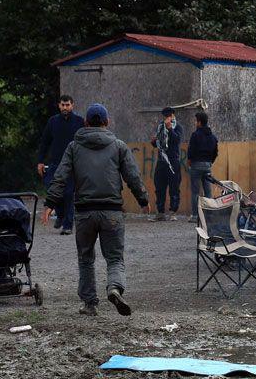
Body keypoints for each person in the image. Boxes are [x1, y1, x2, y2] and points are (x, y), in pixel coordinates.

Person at [43, 103, 150, 316]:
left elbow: (61, 176)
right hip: (112, 212)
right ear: (107, 122)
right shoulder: (119, 146)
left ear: (85, 122)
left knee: (85, 258)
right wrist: (143, 199)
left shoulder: (74, 147)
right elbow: (132, 176)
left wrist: (50, 203)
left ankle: (90, 304)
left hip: (84, 213)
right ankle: (114, 288)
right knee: (115, 258)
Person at [36, 94, 86, 235]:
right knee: (52, 190)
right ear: (59, 105)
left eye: (68, 105)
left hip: (72, 164)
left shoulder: (79, 122)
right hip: (55, 163)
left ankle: (67, 225)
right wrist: (40, 161)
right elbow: (44, 142)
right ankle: (61, 215)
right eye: (63, 105)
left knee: (69, 193)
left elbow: (85, 142)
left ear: (72, 105)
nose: (65, 107)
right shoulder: (53, 122)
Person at [151, 107, 183, 221]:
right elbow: (157, 144)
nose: (167, 118)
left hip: (173, 161)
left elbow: (176, 140)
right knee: (159, 187)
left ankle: (173, 212)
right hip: (162, 160)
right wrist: (154, 141)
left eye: (169, 115)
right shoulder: (160, 127)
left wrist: (170, 129)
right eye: (165, 116)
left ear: (173, 115)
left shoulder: (177, 127)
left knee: (174, 187)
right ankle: (160, 212)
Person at [186, 111, 219, 222]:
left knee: (195, 191)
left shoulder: (195, 135)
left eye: (196, 121)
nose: (195, 123)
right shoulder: (213, 137)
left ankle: (195, 216)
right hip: (207, 165)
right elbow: (215, 152)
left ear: (199, 122)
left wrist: (190, 161)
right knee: (208, 191)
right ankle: (209, 215)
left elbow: (191, 150)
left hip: (196, 165)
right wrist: (210, 162)